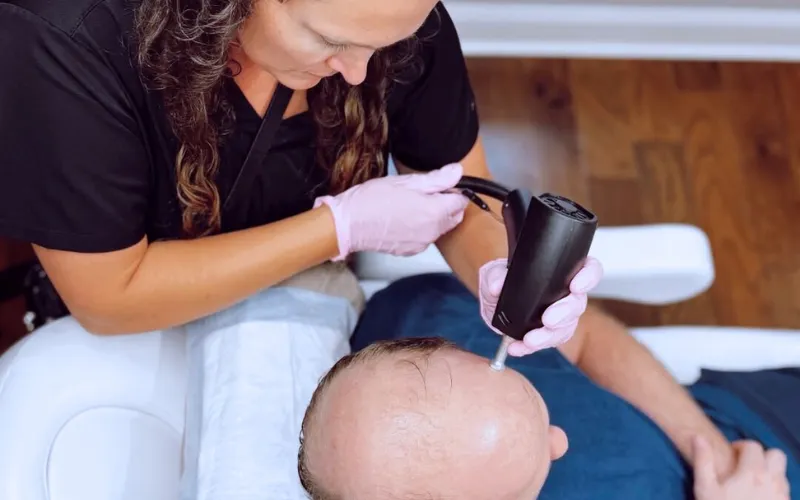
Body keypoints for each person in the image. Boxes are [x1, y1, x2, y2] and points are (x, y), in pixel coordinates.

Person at [0, 0, 600, 350]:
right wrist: (338, 228)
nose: (360, 74)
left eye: (385, 43)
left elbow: (462, 192)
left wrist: (502, 273)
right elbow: (109, 299)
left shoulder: (387, 21)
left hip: (306, 312)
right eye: (329, 40)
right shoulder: (68, 41)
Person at [297, 273, 800, 500]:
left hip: (746, 415)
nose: (562, 441)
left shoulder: (420, 313)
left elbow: (586, 339)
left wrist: (714, 453)